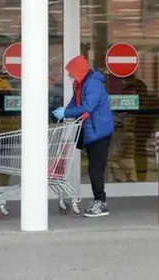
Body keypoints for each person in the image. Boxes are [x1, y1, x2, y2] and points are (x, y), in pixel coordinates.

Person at [53, 55, 113, 218]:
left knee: (96, 167)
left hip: (100, 131)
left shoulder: (92, 84)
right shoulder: (80, 84)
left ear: (78, 70)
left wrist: (66, 113)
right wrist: (64, 111)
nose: (69, 75)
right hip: (91, 130)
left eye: (71, 72)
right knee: (93, 167)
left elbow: (88, 106)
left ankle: (101, 202)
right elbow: (75, 103)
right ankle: (98, 199)